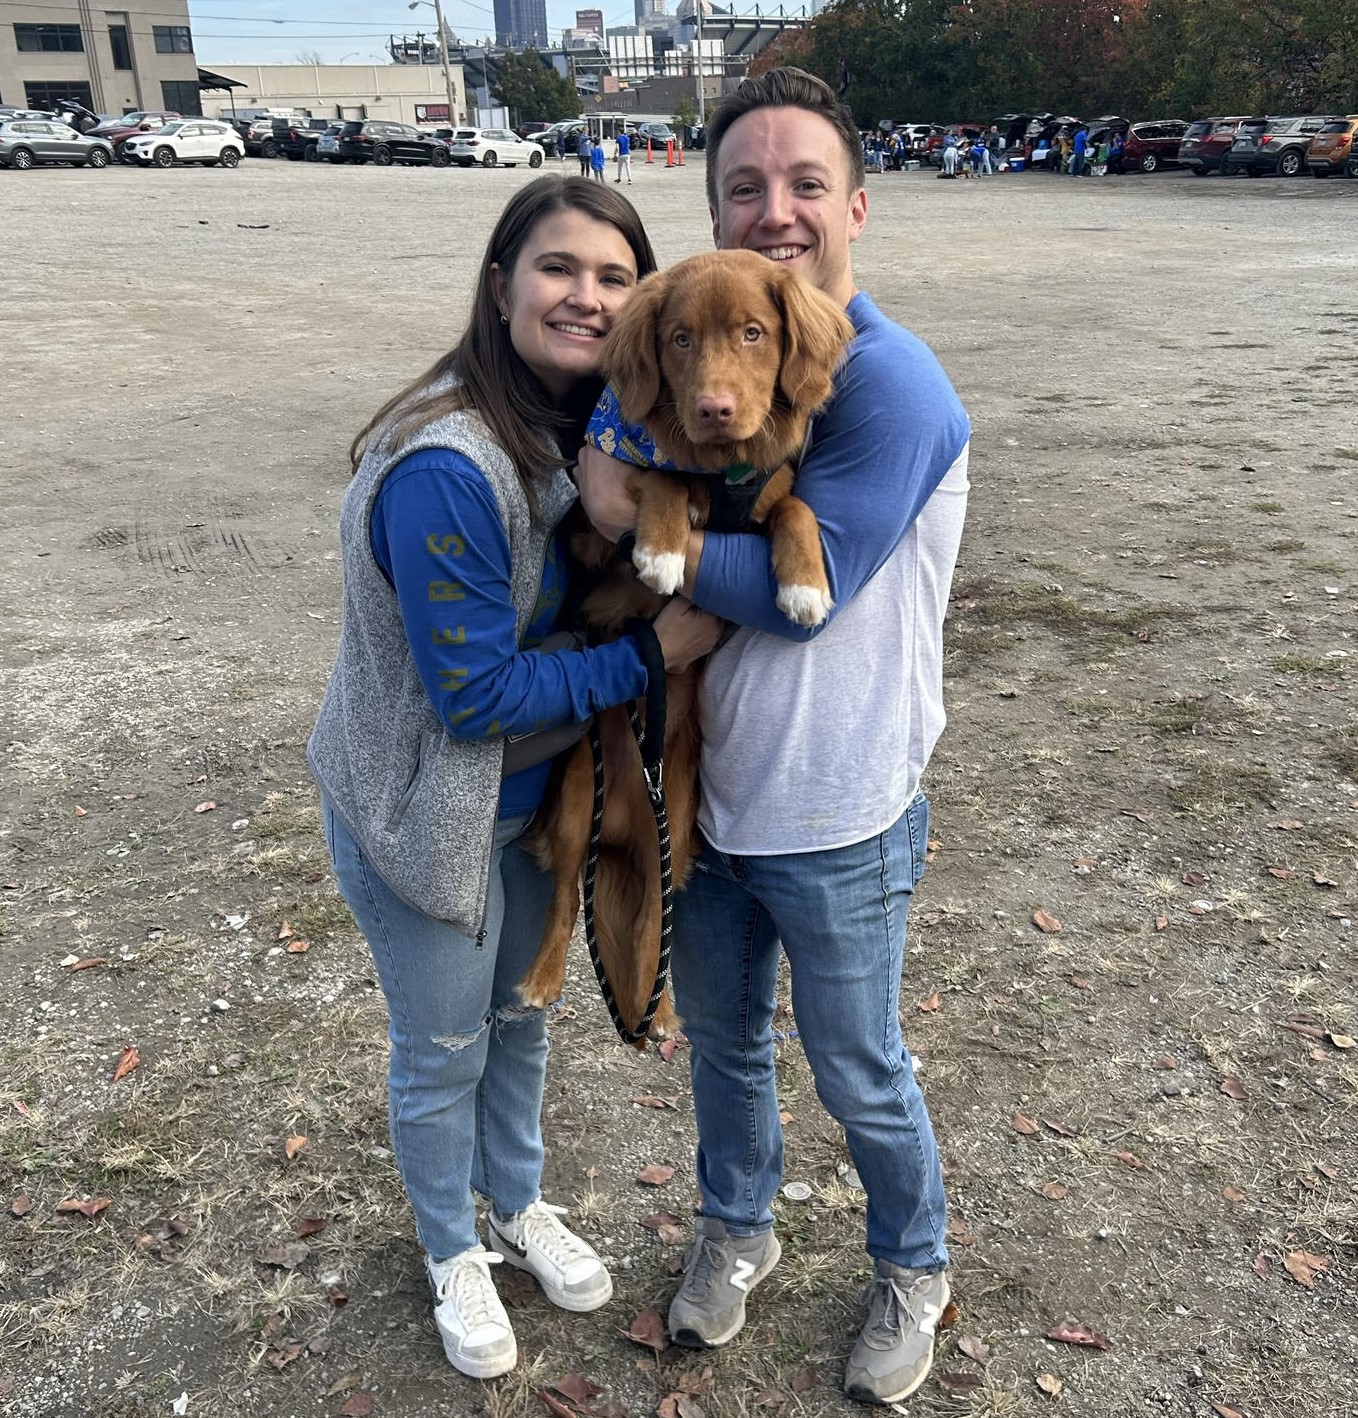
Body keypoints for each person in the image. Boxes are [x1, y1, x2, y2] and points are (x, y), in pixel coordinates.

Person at [575, 66, 970, 1407]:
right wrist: (612, 473)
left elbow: (808, 601)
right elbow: (621, 419)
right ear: (713, 214)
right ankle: (738, 1226)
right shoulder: (708, 342)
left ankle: (913, 1262)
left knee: (859, 1063)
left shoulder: (895, 386)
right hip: (717, 791)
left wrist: (643, 528)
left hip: (838, 804)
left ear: (855, 202)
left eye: (805, 182)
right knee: (728, 1045)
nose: (777, 208)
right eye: (745, 186)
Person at [308, 176, 721, 1384]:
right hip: (421, 806)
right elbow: (474, 701)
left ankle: (516, 1201)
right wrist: (654, 651)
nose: (584, 297)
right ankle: (450, 1246)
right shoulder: (448, 464)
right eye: (556, 268)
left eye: (612, 276)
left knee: (520, 1015)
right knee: (443, 1044)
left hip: (528, 798)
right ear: (501, 288)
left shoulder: (586, 424)